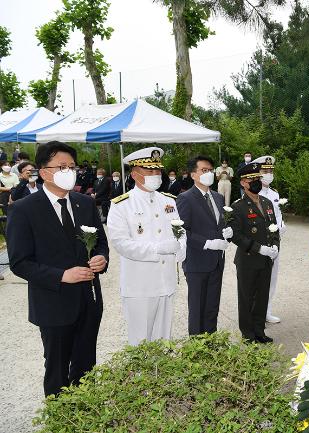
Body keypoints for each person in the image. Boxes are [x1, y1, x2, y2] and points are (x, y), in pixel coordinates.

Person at [6, 141, 109, 397]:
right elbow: (19, 262)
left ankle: (85, 414)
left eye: (71, 166)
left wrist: (101, 258)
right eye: (61, 167)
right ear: (43, 172)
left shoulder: (84, 203)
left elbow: (101, 243)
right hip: (53, 303)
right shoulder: (23, 209)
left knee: (86, 366)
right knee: (57, 369)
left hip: (89, 299)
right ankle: (59, 419)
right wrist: (62, 275)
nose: (69, 171)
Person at [107, 147, 186, 346]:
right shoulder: (121, 205)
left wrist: (181, 249)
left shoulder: (168, 201)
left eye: (158, 171)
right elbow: (121, 243)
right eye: (150, 172)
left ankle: (161, 376)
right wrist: (157, 248)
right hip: (140, 285)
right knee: (140, 341)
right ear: (135, 174)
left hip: (165, 281)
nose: (156, 176)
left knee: (163, 339)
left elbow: (180, 230)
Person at [177, 156, 232, 335]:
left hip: (216, 261)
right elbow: (183, 230)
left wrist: (228, 233)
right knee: (197, 307)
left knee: (211, 307)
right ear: (193, 174)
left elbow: (220, 223)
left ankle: (211, 344)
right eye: (203, 170)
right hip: (197, 261)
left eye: (210, 170)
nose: (208, 173)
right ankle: (196, 348)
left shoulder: (217, 197)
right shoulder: (185, 198)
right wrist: (207, 243)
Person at [228, 162, 279, 343]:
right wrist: (259, 248)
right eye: (252, 179)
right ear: (243, 183)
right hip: (248, 259)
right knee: (247, 297)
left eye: (258, 178)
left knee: (262, 296)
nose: (256, 182)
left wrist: (275, 247)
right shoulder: (238, 206)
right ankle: (248, 334)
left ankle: (260, 331)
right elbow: (237, 236)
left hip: (266, 259)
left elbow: (274, 228)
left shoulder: (266, 203)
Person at [253, 155, 285, 323]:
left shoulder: (274, 193)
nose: (269, 174)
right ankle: (255, 311)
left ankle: (267, 310)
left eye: (271, 171)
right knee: (258, 277)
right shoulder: (254, 192)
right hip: (260, 242)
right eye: (265, 171)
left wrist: (282, 225)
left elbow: (278, 214)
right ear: (258, 172)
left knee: (272, 276)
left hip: (274, 242)